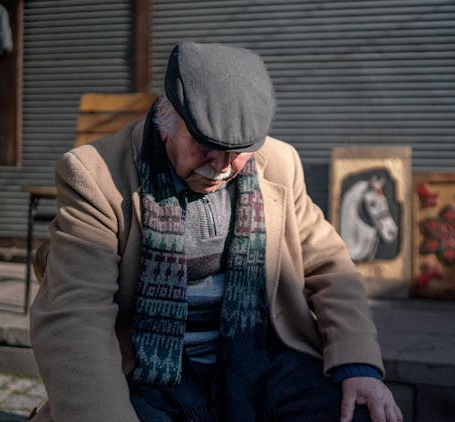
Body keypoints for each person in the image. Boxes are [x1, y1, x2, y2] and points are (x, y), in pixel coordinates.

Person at [29, 41, 402, 422]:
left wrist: (358, 366)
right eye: (207, 147)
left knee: (358, 414)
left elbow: (332, 269)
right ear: (166, 122)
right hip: (147, 372)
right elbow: (76, 316)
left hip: (259, 360)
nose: (222, 167)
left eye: (238, 152)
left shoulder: (280, 162)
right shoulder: (94, 175)